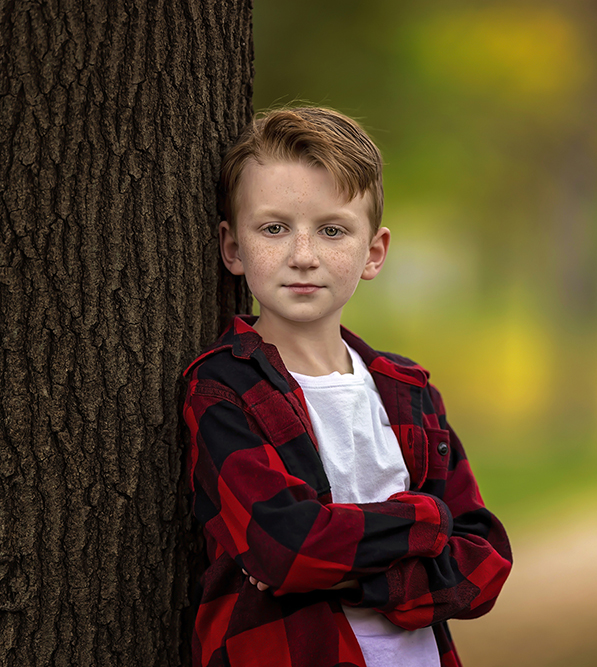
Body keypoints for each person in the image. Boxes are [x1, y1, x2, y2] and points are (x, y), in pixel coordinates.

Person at [182, 106, 512, 667]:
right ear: (233, 249)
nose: (304, 256)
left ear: (373, 252)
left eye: (332, 230)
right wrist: (425, 520)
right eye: (273, 228)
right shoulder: (222, 388)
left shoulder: (408, 392)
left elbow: (484, 564)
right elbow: (283, 549)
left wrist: (352, 576)